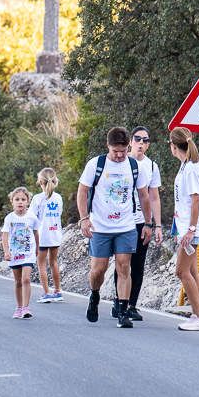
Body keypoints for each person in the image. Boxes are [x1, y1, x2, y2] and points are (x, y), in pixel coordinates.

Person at [77, 127, 152, 329]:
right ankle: (94, 295)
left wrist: (148, 222)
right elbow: (82, 191)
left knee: (124, 266)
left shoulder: (135, 167)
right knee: (98, 270)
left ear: (128, 146)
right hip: (100, 226)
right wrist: (84, 219)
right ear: (108, 146)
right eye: (115, 151)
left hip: (126, 226)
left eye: (122, 151)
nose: (119, 155)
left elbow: (144, 196)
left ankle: (122, 309)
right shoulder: (96, 164)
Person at [112, 126, 164, 321]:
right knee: (122, 263)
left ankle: (131, 304)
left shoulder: (151, 166)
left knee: (138, 264)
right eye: (138, 139)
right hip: (122, 221)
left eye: (145, 140)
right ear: (131, 142)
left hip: (142, 222)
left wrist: (155, 224)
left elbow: (154, 197)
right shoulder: (122, 162)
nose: (141, 143)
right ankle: (119, 302)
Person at [170, 127, 199, 331]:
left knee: (182, 271)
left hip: (190, 229)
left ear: (174, 146)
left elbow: (196, 200)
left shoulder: (193, 167)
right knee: (192, 271)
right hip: (185, 227)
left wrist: (191, 229)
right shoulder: (186, 165)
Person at [2, 187, 40, 319]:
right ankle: (18, 307)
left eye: (23, 199)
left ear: (28, 201)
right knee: (18, 281)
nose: (20, 202)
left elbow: (35, 233)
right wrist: (6, 252)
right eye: (17, 199)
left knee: (26, 279)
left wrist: (37, 248)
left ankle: (26, 307)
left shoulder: (32, 217)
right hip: (14, 254)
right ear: (12, 201)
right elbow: (5, 236)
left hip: (28, 254)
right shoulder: (9, 218)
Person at [31, 168, 64, 303]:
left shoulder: (37, 198)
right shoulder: (58, 197)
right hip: (55, 233)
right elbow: (60, 213)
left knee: (41, 264)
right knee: (54, 262)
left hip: (42, 235)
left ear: (40, 182)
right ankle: (58, 291)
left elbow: (32, 218)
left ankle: (46, 293)